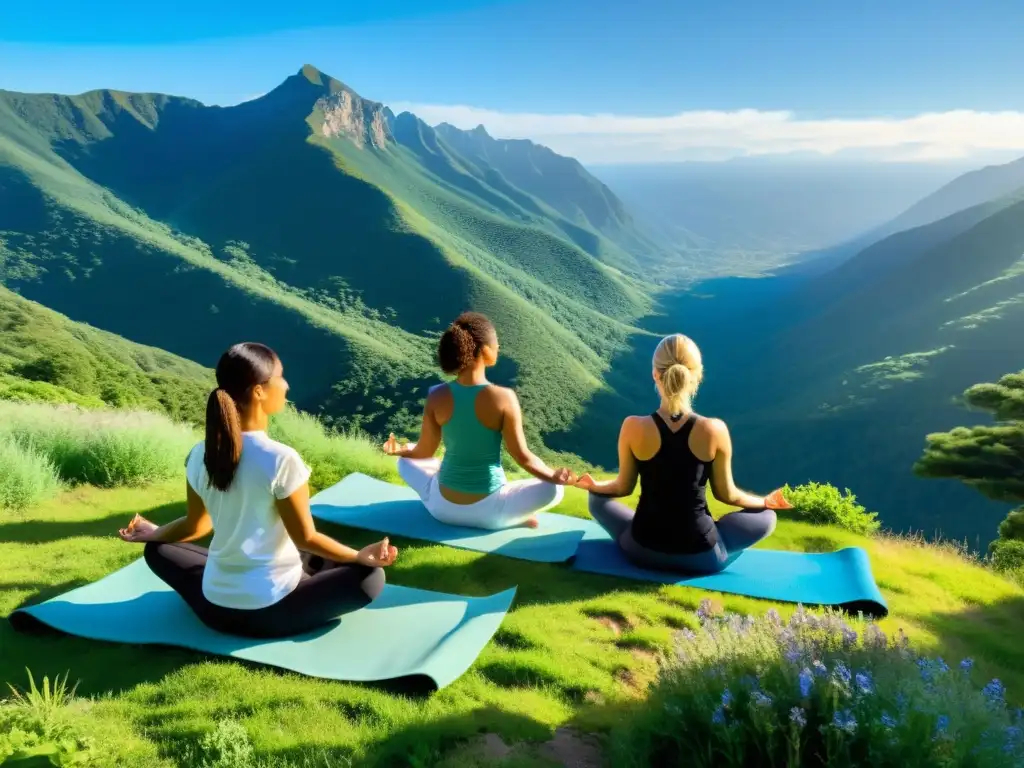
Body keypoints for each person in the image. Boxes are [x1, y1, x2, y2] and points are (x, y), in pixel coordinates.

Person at [117, 342, 398, 639]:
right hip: (273, 611)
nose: (286, 385)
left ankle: (177, 552)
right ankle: (317, 579)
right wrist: (359, 556)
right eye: (280, 377)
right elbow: (306, 537)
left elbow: (195, 525)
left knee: (159, 549)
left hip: (214, 608)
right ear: (259, 391)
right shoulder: (280, 458)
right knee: (369, 578)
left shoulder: (199, 453)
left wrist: (153, 534)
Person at [576, 333, 791, 574]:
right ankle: (718, 540)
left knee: (596, 497)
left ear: (655, 374)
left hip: (640, 550)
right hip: (702, 557)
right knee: (767, 517)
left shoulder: (633, 426)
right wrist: (764, 502)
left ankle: (645, 525)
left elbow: (622, 487)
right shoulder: (714, 429)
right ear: (696, 376)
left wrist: (595, 485)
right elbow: (728, 495)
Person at [382, 312, 575, 530]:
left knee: (405, 460)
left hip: (442, 508)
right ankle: (511, 518)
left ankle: (444, 494)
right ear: (484, 351)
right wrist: (554, 476)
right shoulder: (504, 398)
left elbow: (424, 451)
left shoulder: (436, 395)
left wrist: (399, 450)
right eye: (496, 344)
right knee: (553, 489)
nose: (499, 348)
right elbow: (523, 458)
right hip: (489, 512)